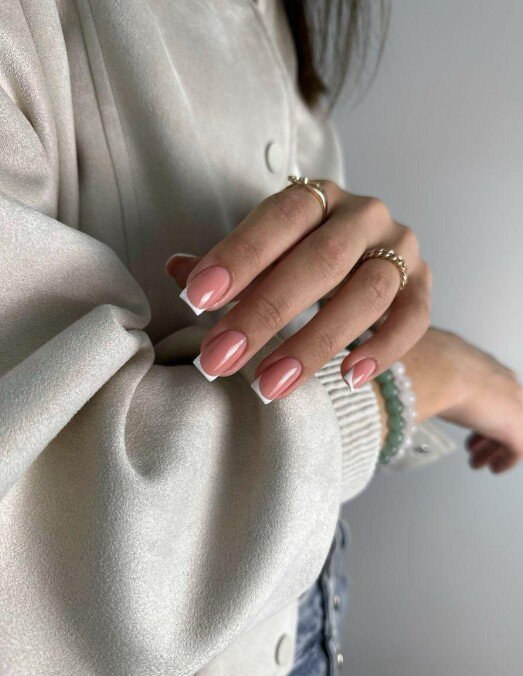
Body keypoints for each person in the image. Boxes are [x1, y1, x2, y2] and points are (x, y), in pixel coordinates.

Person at [0, 1, 521, 673]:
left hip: (303, 612)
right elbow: (36, 543)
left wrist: (356, 304)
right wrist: (419, 376)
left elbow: (300, 343)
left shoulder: (276, 15)